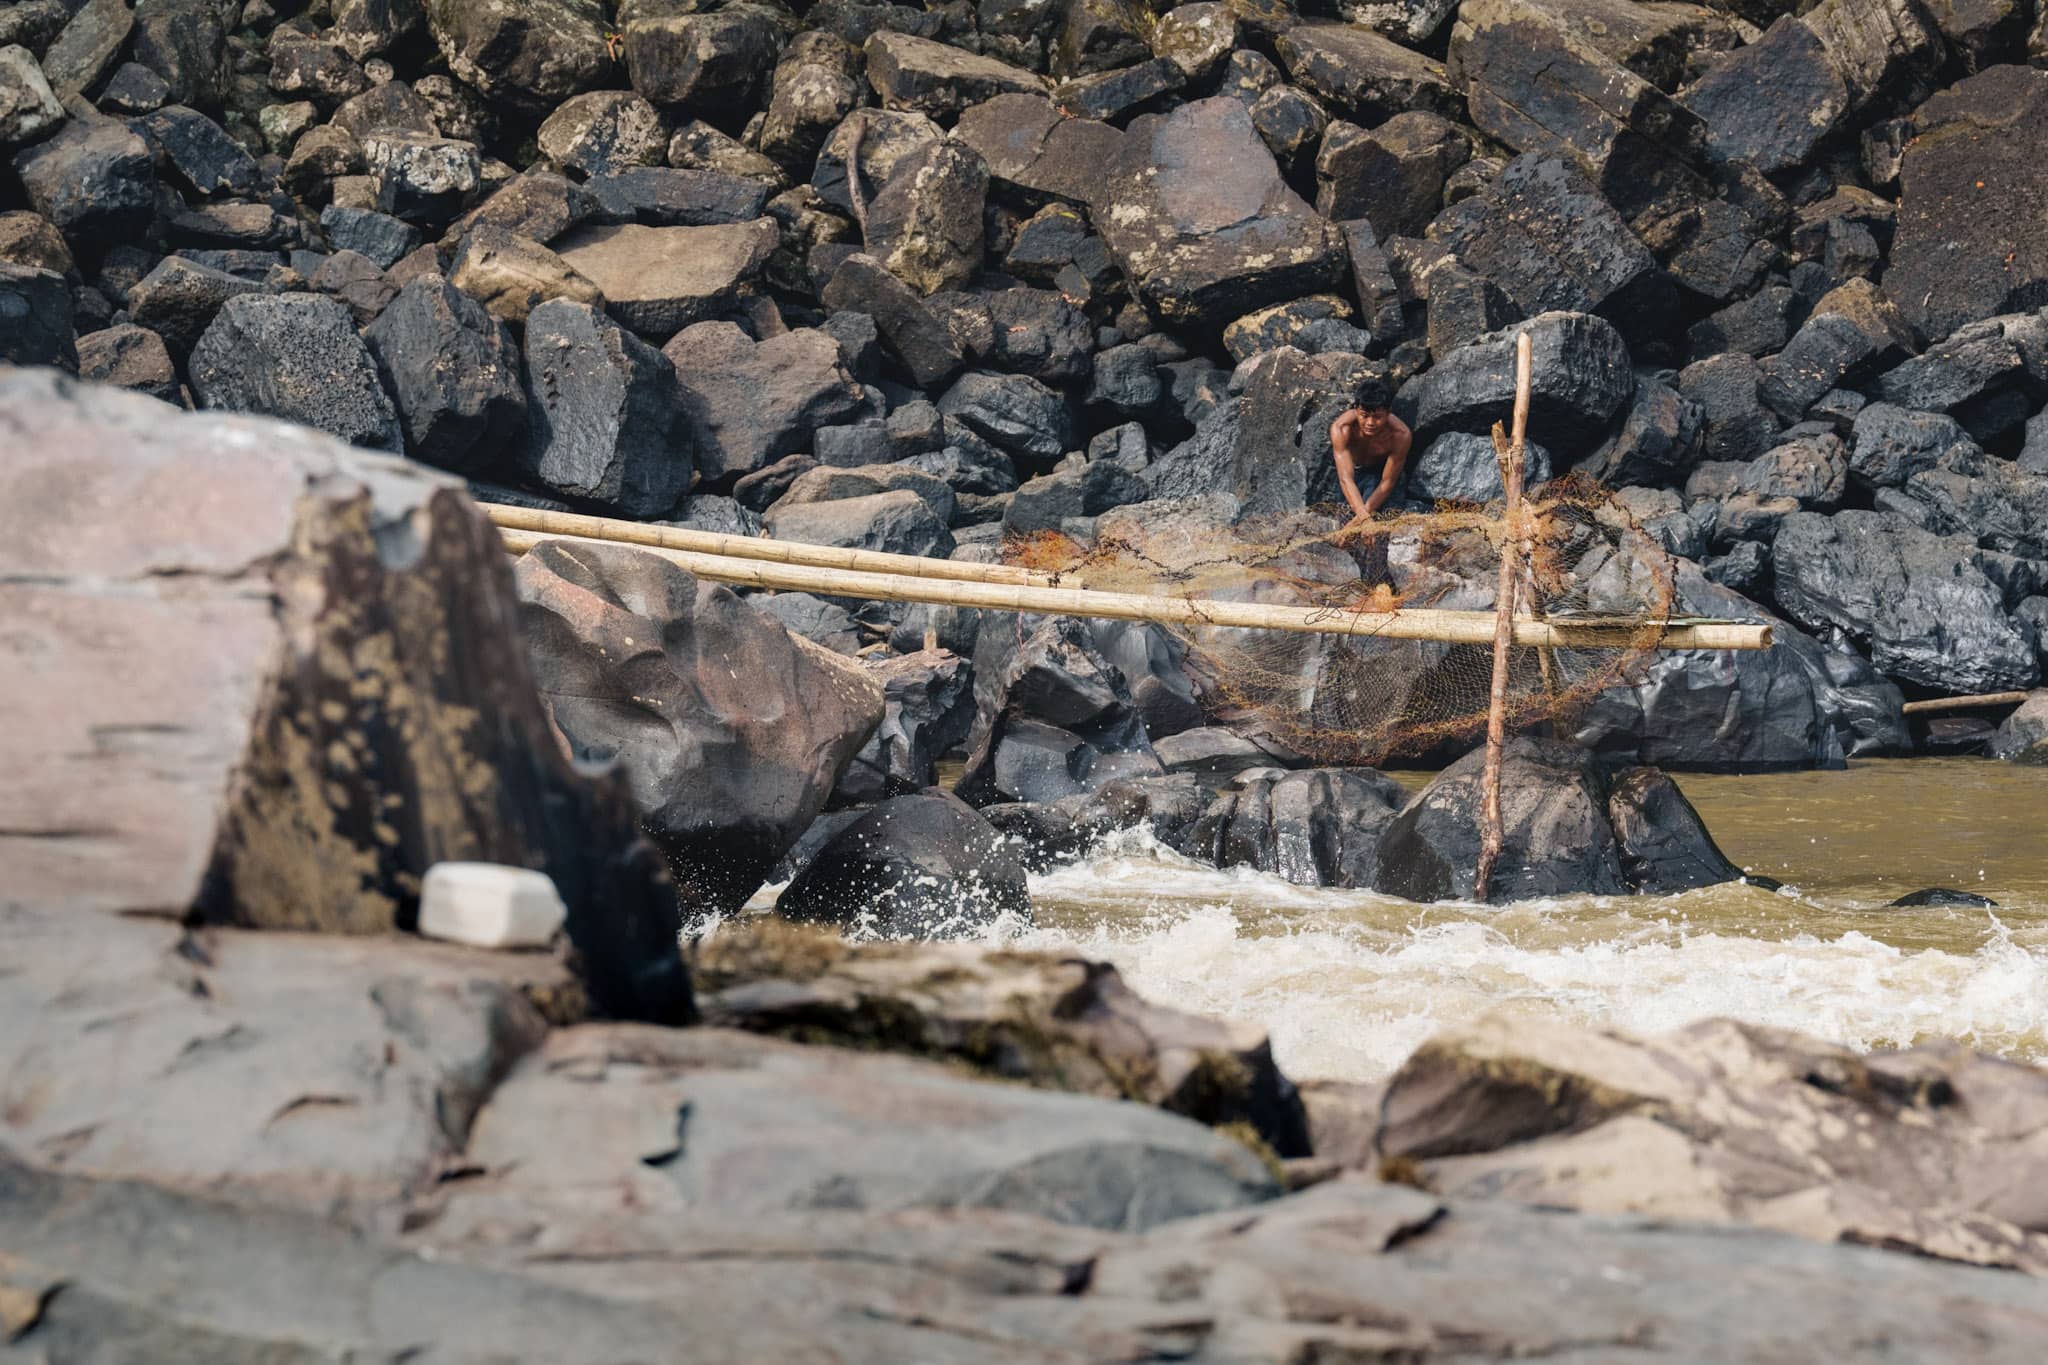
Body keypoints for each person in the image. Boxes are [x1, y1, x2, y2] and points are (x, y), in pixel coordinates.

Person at [1328, 377, 1411, 586]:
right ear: (1356, 410)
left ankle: (1380, 592)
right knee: (1348, 540)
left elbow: (1387, 482)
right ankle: (1381, 587)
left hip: (1383, 478)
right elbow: (1346, 479)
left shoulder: (1400, 435)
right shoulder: (1341, 429)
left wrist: (1361, 521)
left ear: (1388, 413)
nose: (1370, 423)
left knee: (1375, 540)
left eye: (1378, 417)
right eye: (1364, 416)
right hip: (1354, 477)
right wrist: (1362, 519)